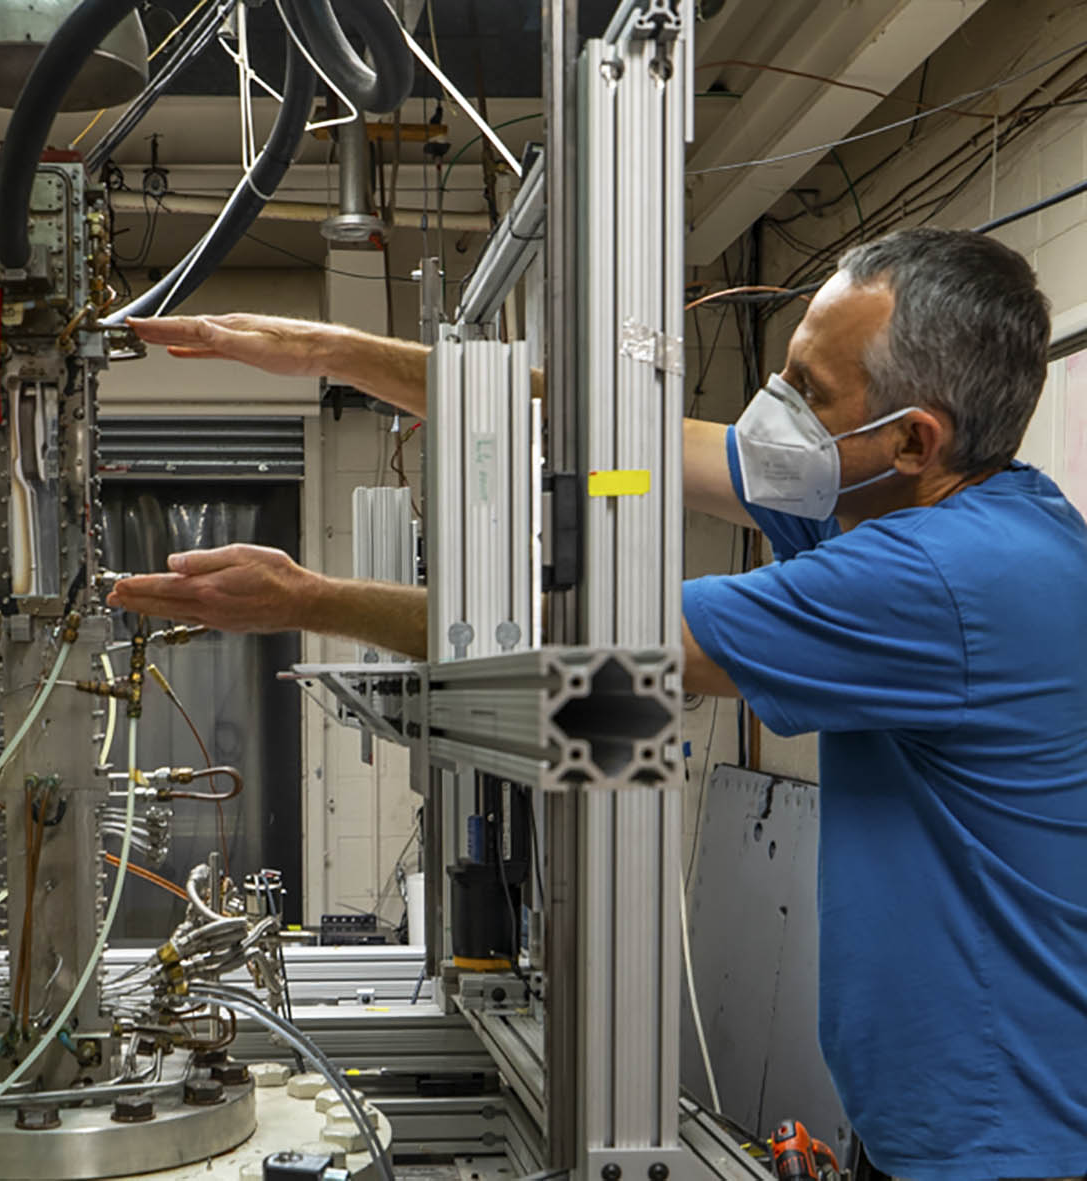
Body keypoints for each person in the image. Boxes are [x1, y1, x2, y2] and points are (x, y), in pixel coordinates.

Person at [107, 227, 1087, 1181]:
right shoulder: (927, 497)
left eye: (806, 389)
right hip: (947, 1121)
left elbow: (578, 644)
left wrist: (303, 599)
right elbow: (619, 437)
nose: (770, 407)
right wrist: (329, 349)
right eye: (784, 370)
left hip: (1003, 1144)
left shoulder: (940, 579)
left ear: (912, 438)